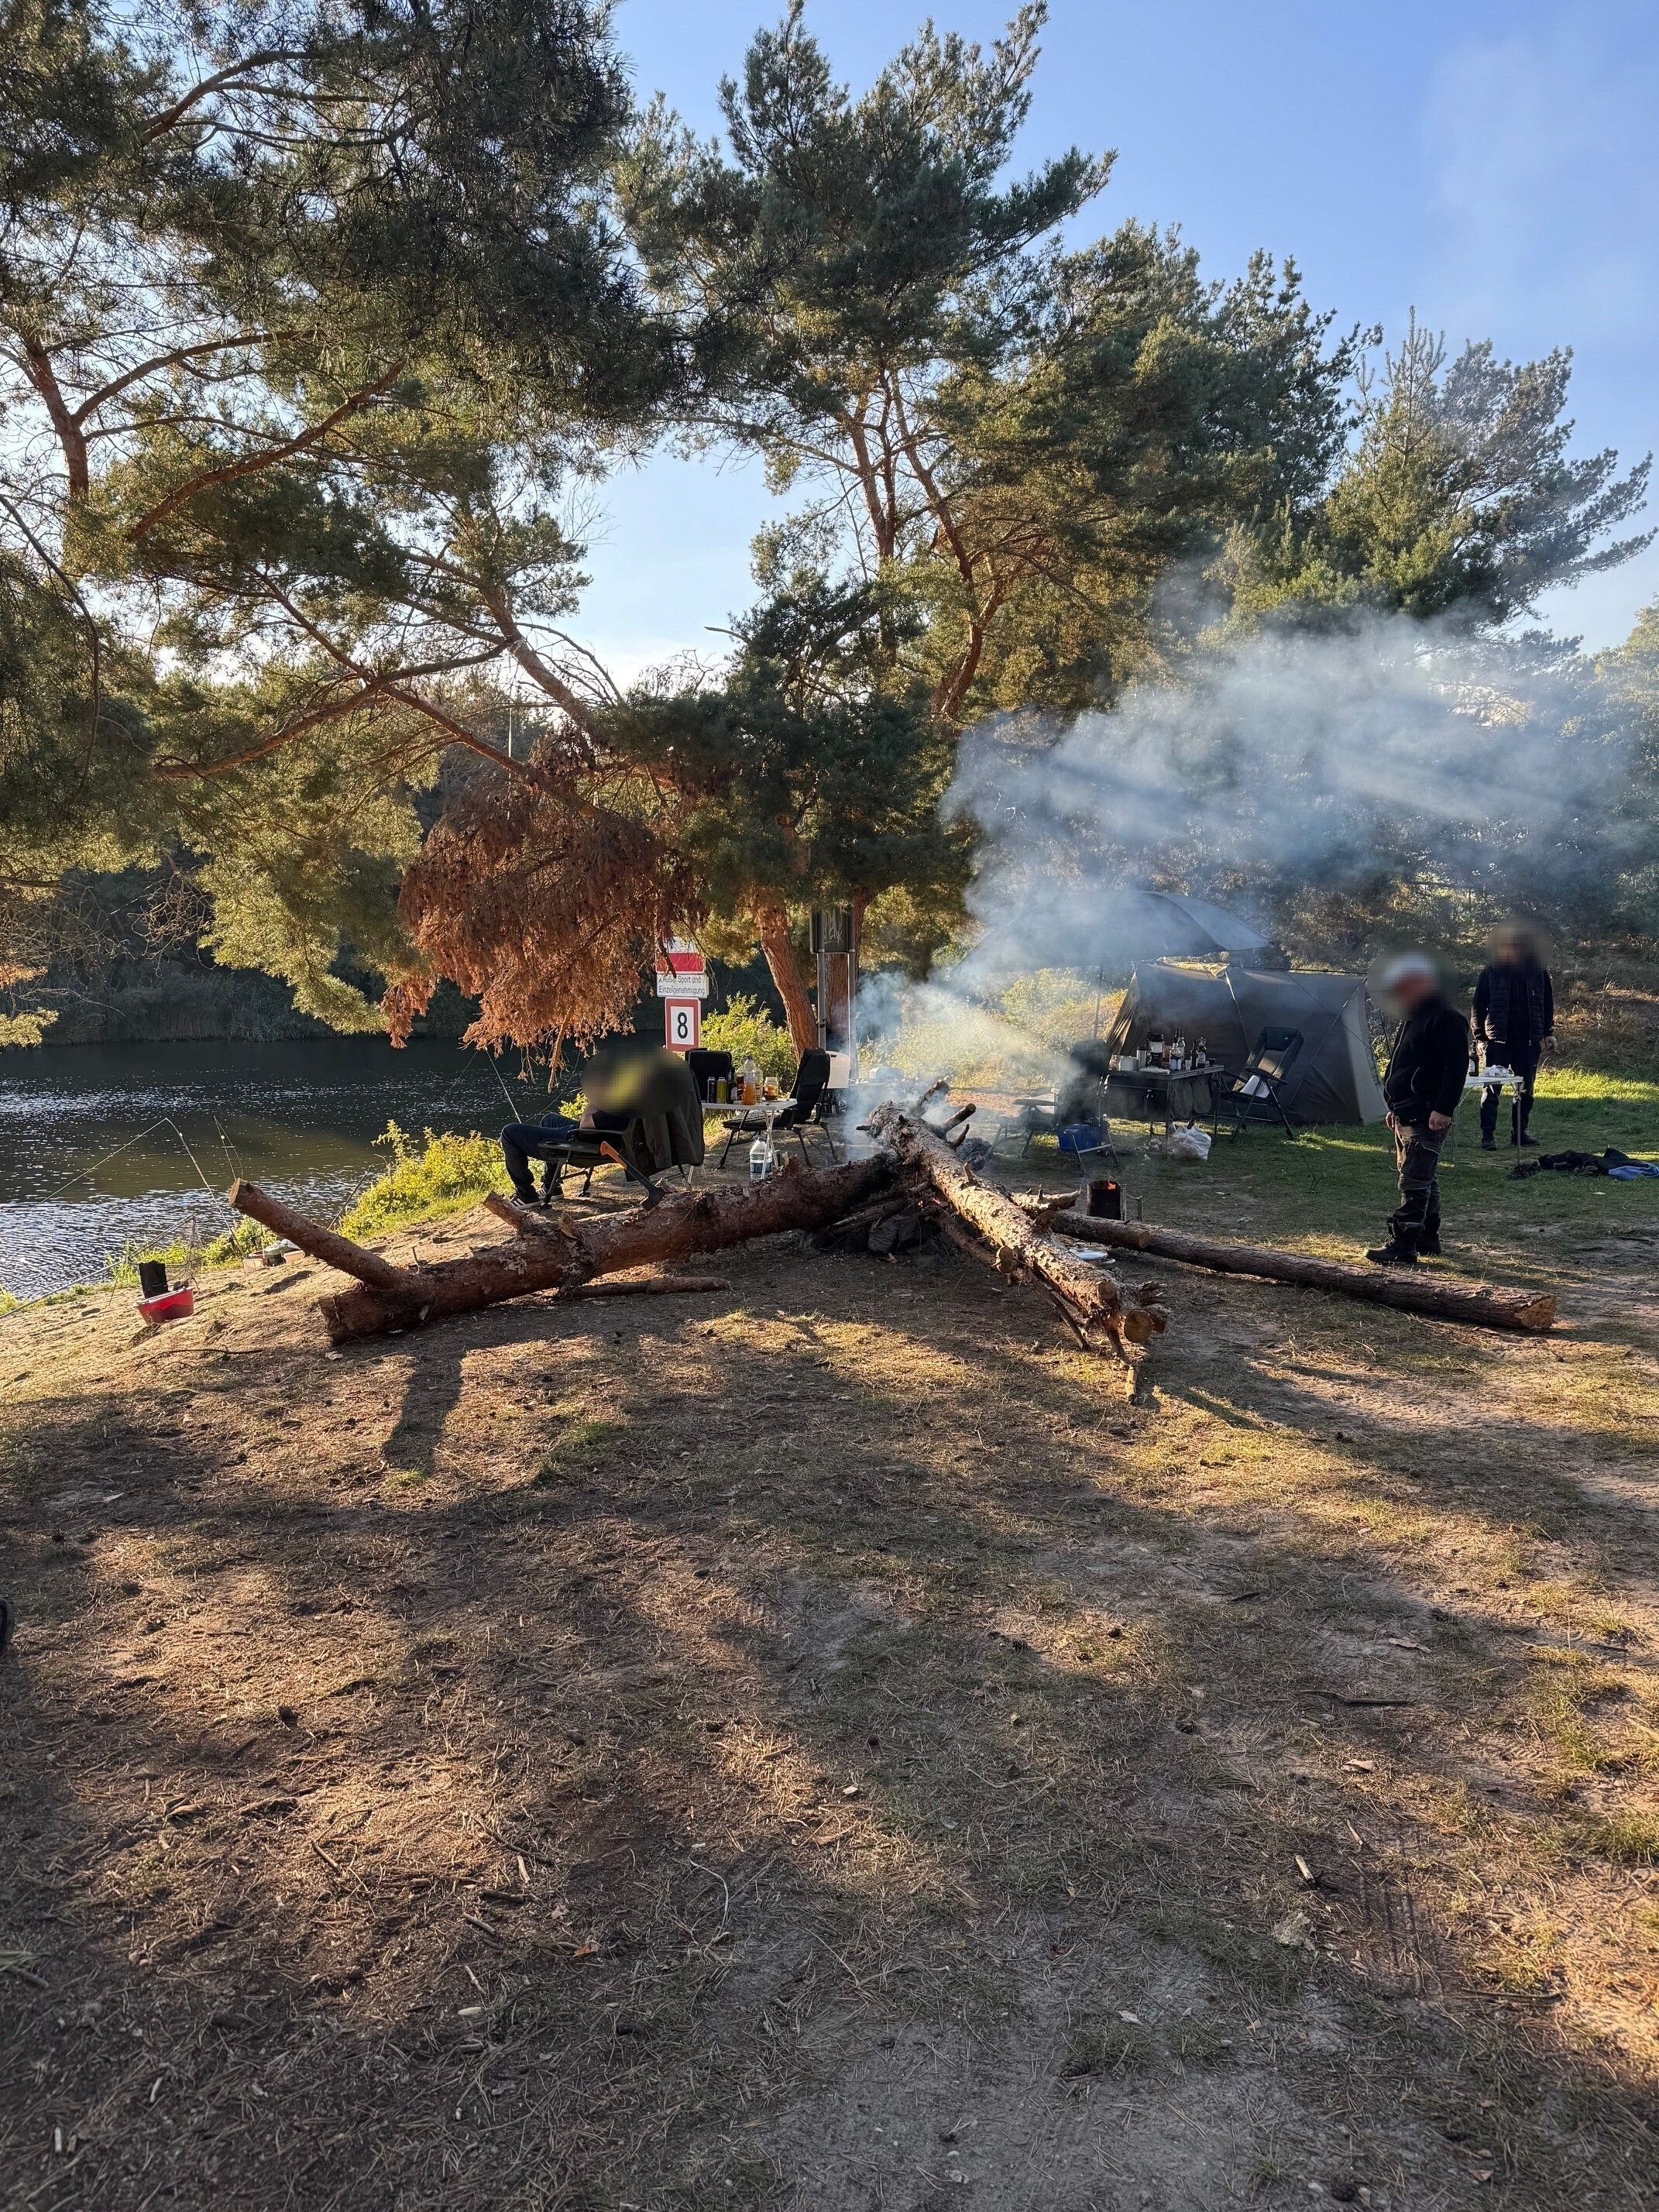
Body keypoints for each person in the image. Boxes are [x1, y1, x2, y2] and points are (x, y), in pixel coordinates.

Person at [1367, 953, 1471, 1266]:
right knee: (1424, 1177)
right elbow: (1404, 1064)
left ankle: (1404, 1243)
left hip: (1427, 1113)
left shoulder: (1447, 1019)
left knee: (1414, 1181)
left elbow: (1456, 1069)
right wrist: (1395, 1106)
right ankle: (1427, 1237)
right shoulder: (1413, 1016)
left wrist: (1444, 1109)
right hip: (1407, 1111)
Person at [1472, 924, 1554, 1151]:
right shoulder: (1491, 971)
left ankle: (1520, 1134)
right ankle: (1488, 1136)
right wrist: (1480, 1038)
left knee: (1526, 1092)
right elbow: (1478, 1006)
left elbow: (1547, 1004)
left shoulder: (1539, 972)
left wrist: (1549, 1033)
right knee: (1491, 1091)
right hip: (1497, 1042)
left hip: (1529, 1042)